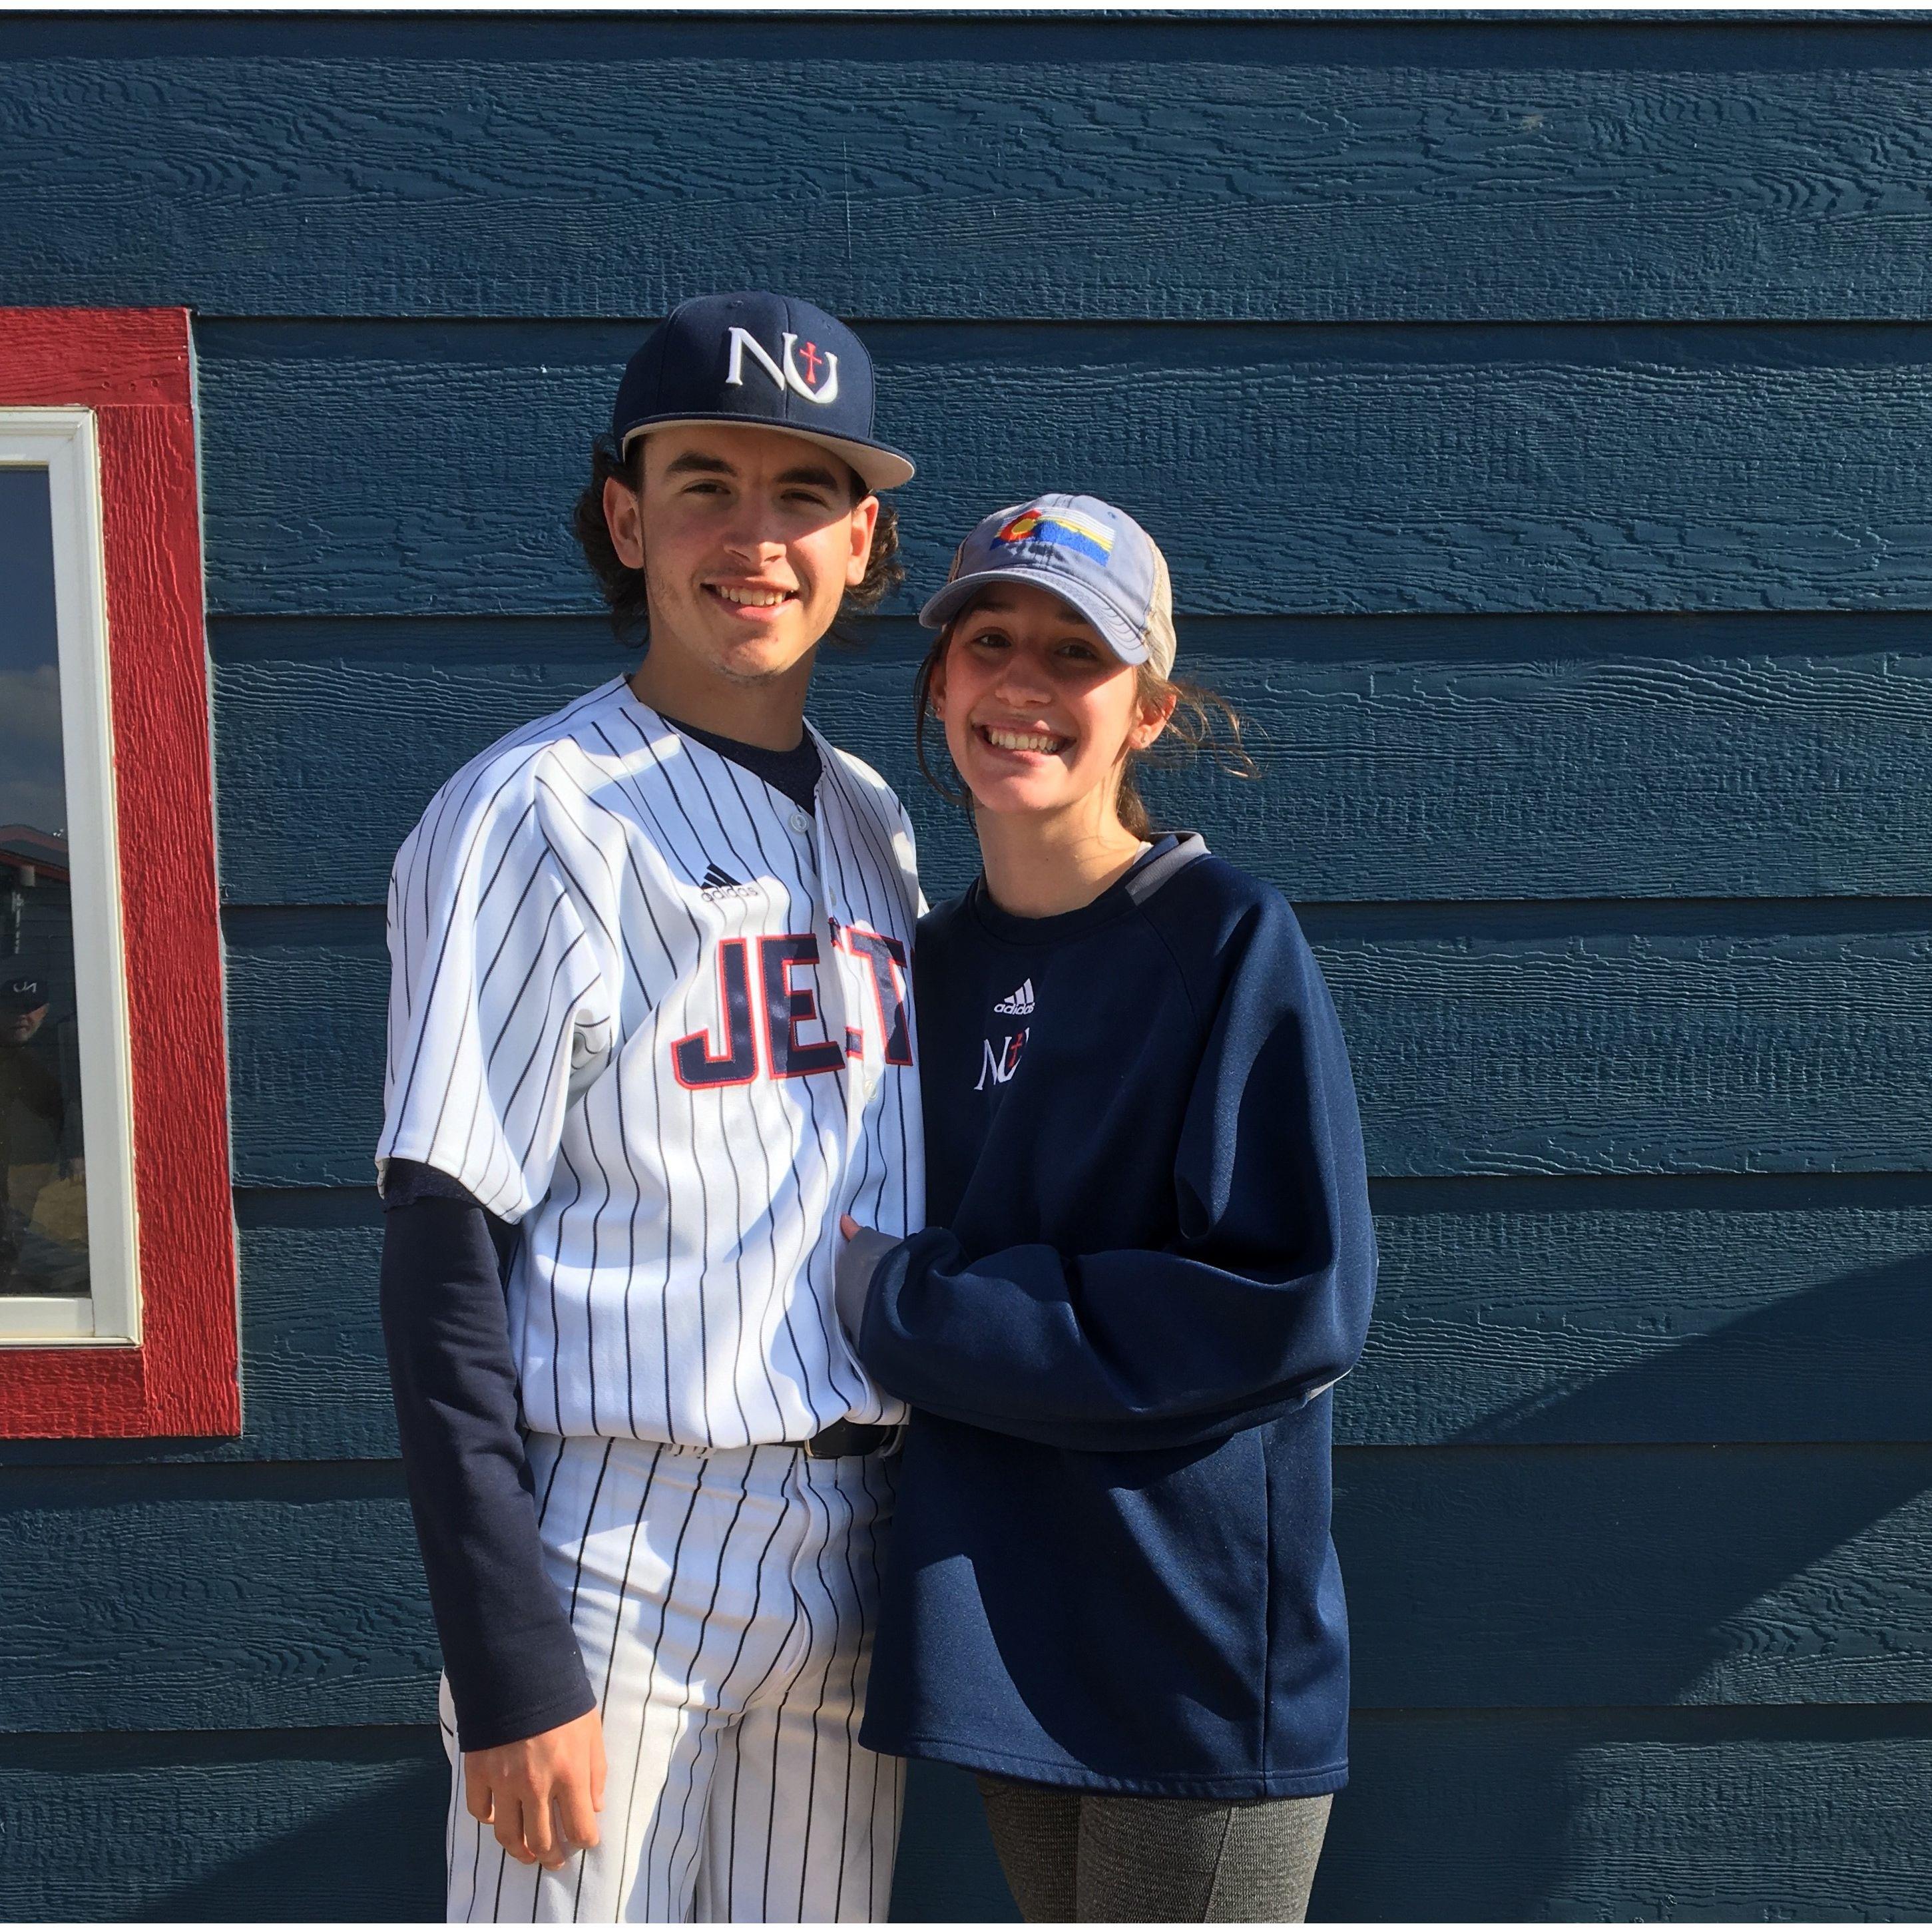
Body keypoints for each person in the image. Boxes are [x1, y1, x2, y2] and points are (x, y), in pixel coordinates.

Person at [375, 292, 924, 1923]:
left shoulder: (877, 817)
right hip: (617, 1544)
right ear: (627, 515)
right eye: (704, 485)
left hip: (850, 1538)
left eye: (803, 492)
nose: (752, 538)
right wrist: (506, 1657)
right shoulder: (532, 811)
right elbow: (441, 1247)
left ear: (861, 537)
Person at [835, 495, 1377, 1922]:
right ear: (937, 683)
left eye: (1075, 653)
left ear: (1147, 710)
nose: (1022, 683)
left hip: (1185, 1651)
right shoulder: (921, 970)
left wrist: (901, 1303)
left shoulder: (1220, 938)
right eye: (987, 640)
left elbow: (1287, 1303)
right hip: (1008, 1622)